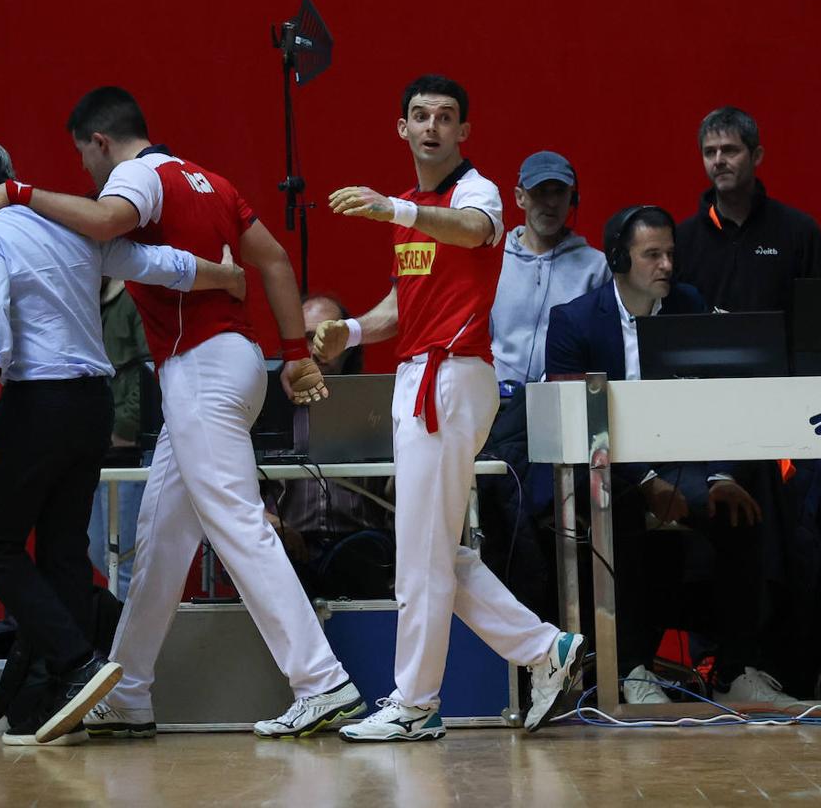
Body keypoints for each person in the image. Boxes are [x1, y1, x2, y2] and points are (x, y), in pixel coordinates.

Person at [0, 87, 365, 739]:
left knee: (236, 524)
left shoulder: (136, 175)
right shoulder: (211, 181)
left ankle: (323, 681)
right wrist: (294, 354)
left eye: (84, 158)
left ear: (99, 141)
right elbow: (276, 260)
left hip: (200, 368)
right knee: (162, 540)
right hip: (237, 362)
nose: (89, 178)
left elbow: (102, 226)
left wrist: (15, 193)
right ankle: (130, 691)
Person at [0, 134, 246, 745]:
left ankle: (77, 664)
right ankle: (61, 700)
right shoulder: (65, 224)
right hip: (91, 405)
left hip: (38, 399)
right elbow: (153, 263)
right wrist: (224, 276)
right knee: (62, 550)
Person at [315, 74, 585, 741]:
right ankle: (542, 648)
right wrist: (345, 333)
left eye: (444, 117)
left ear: (463, 131)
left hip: (452, 378)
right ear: (400, 128)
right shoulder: (406, 204)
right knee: (434, 550)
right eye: (419, 115)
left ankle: (414, 704)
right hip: (418, 378)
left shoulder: (475, 191)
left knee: (422, 555)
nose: (431, 126)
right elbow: (402, 306)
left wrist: (395, 212)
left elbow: (471, 232)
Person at [546, 204, 796, 707]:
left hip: (689, 467)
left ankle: (734, 668)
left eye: (670, 254)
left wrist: (721, 475)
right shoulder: (574, 321)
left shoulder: (689, 304)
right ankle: (632, 667)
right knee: (624, 516)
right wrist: (646, 482)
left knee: (741, 511)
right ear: (620, 258)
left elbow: (716, 397)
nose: (666, 265)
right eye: (652, 255)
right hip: (610, 474)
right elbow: (573, 425)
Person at [262, 294, 394, 600]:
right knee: (263, 549)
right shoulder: (262, 407)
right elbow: (227, 488)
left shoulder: (378, 406)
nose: (316, 348)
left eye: (326, 336)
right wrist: (263, 522)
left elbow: (397, 493)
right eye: (307, 338)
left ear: (349, 346)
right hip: (283, 544)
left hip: (360, 546)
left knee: (362, 554)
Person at [675, 107, 821, 314]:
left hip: (781, 347)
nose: (718, 161)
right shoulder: (683, 239)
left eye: (729, 150)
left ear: (756, 156)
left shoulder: (799, 231)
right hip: (706, 347)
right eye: (709, 152)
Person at [490, 151, 609, 386]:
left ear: (572, 199)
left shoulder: (596, 267)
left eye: (559, 192)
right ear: (519, 197)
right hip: (499, 401)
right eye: (541, 191)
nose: (551, 203)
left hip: (567, 399)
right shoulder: (494, 260)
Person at [85, 278, 148, 600]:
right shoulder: (80, 294)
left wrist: (125, 428)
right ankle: (123, 641)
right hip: (87, 443)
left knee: (122, 556)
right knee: (99, 549)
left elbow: (150, 368)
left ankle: (127, 646)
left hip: (126, 447)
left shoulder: (132, 297)